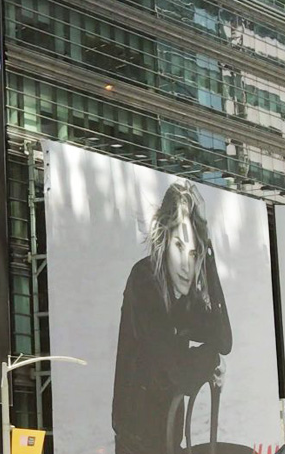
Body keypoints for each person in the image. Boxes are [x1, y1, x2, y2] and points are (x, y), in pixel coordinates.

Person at [112, 181, 232, 454]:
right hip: (137, 444)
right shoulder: (144, 280)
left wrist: (208, 253)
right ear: (164, 240)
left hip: (167, 440)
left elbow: (224, 340)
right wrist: (211, 360)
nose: (186, 265)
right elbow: (176, 370)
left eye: (194, 253)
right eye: (179, 245)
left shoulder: (185, 298)